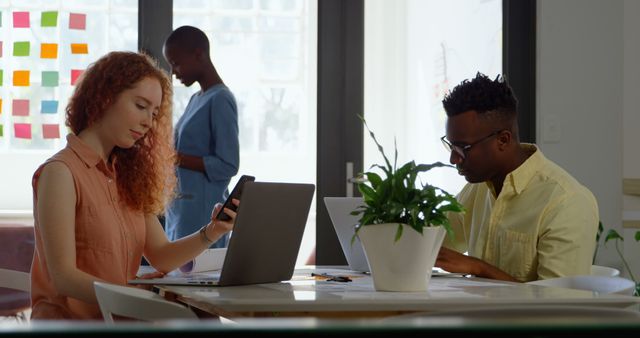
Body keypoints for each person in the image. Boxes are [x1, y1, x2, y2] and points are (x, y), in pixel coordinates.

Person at [30, 51, 238, 320]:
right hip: (73, 324)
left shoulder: (125, 177)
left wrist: (211, 231)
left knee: (204, 319)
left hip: (121, 317)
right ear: (104, 97)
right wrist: (138, 294)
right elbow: (64, 279)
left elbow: (161, 255)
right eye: (141, 106)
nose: (148, 122)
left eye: (154, 113)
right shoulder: (61, 173)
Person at [436, 72, 599, 282]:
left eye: (463, 148)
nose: (453, 159)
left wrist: (479, 268)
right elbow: (434, 243)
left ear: (503, 140)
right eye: (451, 146)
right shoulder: (478, 188)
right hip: (477, 314)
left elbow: (558, 306)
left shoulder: (566, 202)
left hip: (523, 317)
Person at [162, 26, 240, 247]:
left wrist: (176, 158)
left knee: (196, 276)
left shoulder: (221, 99)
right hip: (181, 212)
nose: (174, 72)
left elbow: (228, 164)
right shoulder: (197, 98)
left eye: (176, 63)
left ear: (198, 54)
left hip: (203, 215)